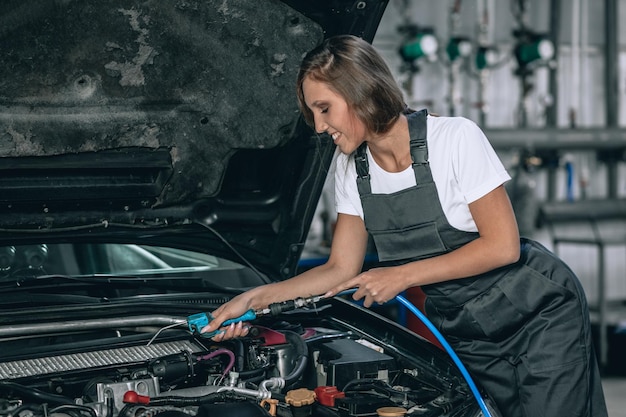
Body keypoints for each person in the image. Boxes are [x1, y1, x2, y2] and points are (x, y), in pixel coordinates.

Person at [203, 34, 607, 417]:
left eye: (324, 108)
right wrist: (254, 299)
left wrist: (401, 274)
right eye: (312, 112)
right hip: (468, 329)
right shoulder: (352, 170)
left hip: (537, 313)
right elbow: (339, 270)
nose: (318, 125)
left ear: (359, 91)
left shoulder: (454, 139)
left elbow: (503, 246)